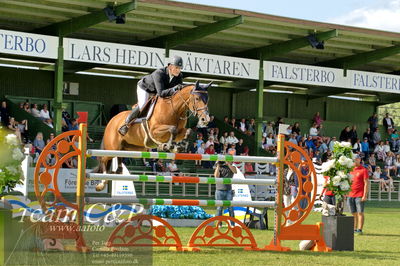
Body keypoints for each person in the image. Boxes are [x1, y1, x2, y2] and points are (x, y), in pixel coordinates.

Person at [118, 55, 184, 135]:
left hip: (158, 91)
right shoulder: (159, 73)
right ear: (170, 66)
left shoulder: (179, 76)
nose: (178, 70)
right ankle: (126, 124)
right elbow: (161, 93)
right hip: (145, 88)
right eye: (176, 68)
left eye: (180, 68)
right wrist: (174, 89)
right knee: (143, 105)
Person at [348, 156, 369, 235]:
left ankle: (359, 230)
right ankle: (354, 228)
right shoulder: (350, 170)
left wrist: (364, 195)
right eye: (353, 159)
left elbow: (366, 183)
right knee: (353, 213)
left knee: (360, 212)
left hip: (359, 195)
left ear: (360, 160)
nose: (355, 161)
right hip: (350, 194)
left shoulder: (363, 170)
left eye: (356, 159)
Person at [214, 161, 237, 225]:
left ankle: (232, 224)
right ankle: (219, 224)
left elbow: (235, 171)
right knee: (219, 208)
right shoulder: (219, 167)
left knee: (231, 208)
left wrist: (228, 164)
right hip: (219, 190)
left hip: (228, 190)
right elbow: (216, 176)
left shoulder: (232, 167)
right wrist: (218, 165)